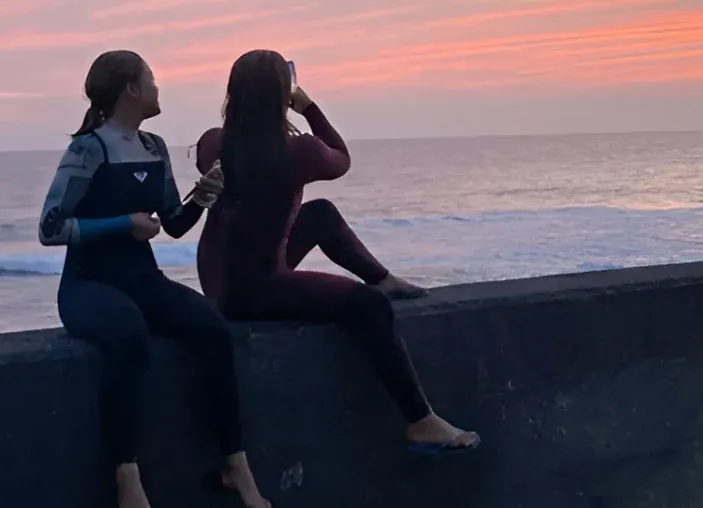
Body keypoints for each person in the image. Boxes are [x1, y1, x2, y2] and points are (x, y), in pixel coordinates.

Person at [195, 49, 479, 455]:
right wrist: (308, 106)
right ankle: (421, 421)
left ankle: (382, 278)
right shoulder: (299, 152)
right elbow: (341, 158)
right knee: (368, 307)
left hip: (220, 282)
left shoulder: (212, 144)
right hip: (255, 290)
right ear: (283, 93)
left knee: (320, 215)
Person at [38, 50, 272, 508]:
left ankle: (234, 464)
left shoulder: (154, 147)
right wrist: (121, 223)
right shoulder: (88, 149)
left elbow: (172, 222)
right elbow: (50, 229)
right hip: (89, 286)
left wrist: (203, 198)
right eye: (151, 79)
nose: (157, 87)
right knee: (130, 336)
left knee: (212, 331)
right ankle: (127, 477)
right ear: (131, 88)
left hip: (143, 279)